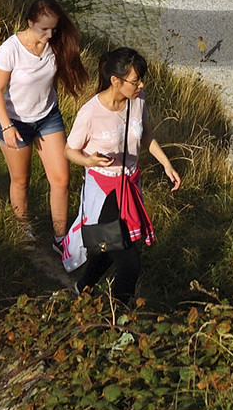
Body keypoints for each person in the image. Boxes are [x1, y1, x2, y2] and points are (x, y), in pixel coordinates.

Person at [60, 47, 181, 303]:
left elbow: (145, 133)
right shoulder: (90, 112)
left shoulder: (138, 100)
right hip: (104, 193)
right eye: (136, 81)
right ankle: (120, 318)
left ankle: (83, 288)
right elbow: (69, 150)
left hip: (130, 186)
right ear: (116, 81)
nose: (141, 85)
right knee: (129, 262)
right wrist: (89, 160)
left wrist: (166, 164)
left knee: (106, 249)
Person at [0, 0, 87, 250]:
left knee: (61, 180)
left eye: (53, 29)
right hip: (16, 123)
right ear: (30, 22)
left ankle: (60, 238)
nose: (49, 34)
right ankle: (22, 229)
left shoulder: (54, 45)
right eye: (43, 29)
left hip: (48, 118)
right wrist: (7, 126)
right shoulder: (10, 49)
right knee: (21, 180)